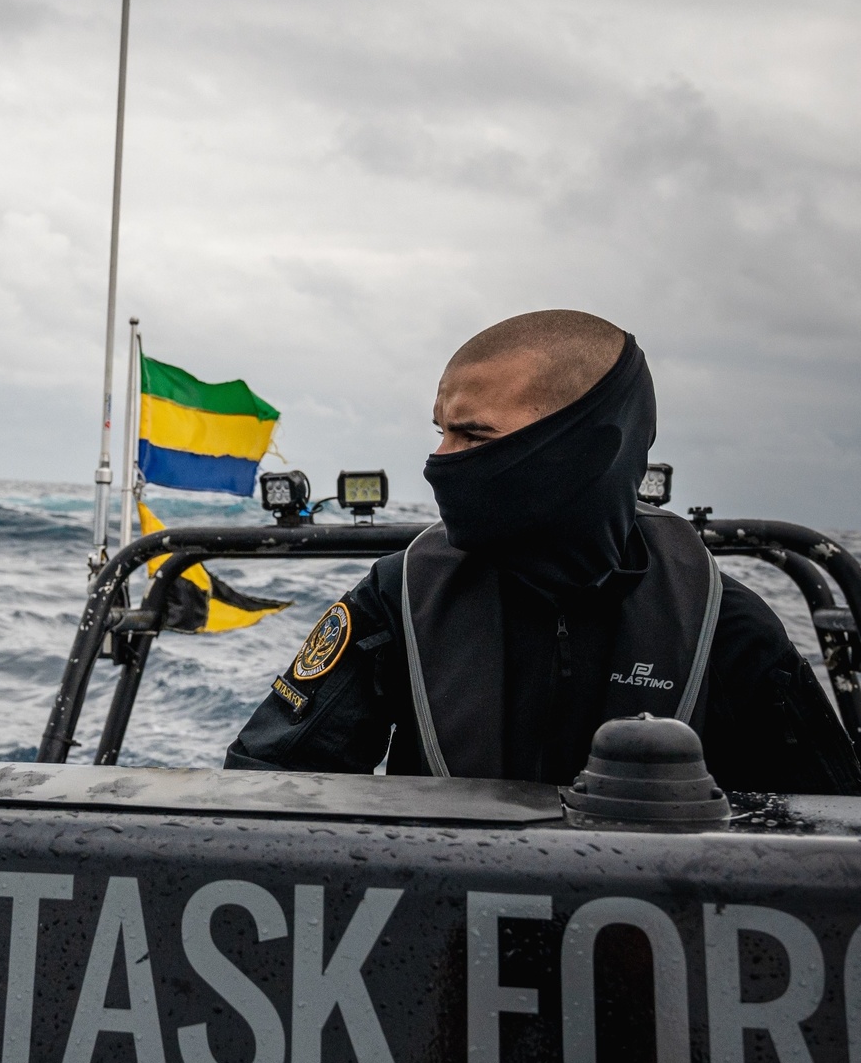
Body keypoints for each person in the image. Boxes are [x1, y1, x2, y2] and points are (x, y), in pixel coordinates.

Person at [225, 310, 861, 793]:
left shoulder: (725, 627)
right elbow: (267, 786)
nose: (438, 463)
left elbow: (823, 838)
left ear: (582, 450)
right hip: (438, 935)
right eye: (440, 431)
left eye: (472, 434)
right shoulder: (398, 598)